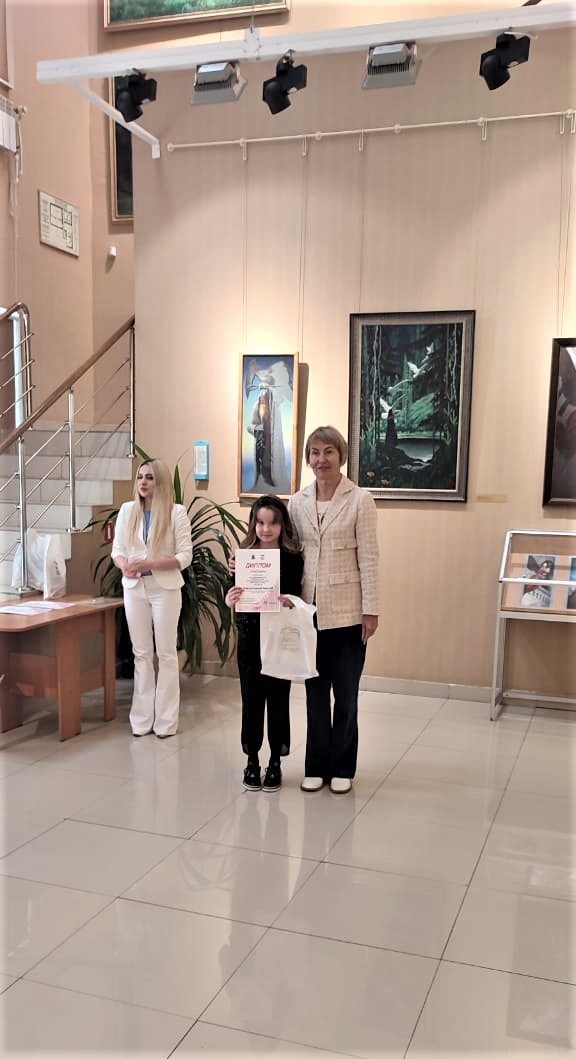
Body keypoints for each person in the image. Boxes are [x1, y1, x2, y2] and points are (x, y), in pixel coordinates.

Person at [289, 426, 379, 794]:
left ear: (341, 456)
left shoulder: (360, 500)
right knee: (314, 695)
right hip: (308, 614)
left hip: (347, 614)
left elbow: (369, 558)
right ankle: (316, 765)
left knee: (346, 695)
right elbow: (288, 553)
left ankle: (342, 767)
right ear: (308, 459)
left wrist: (371, 610)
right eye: (314, 452)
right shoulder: (297, 501)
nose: (321, 459)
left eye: (328, 451)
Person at [226, 495, 303, 792]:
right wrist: (229, 597)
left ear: (282, 525)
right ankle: (252, 760)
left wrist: (288, 601)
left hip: (279, 638)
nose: (266, 529)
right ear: (253, 524)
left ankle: (275, 762)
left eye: (272, 523)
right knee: (251, 700)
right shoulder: (242, 557)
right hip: (249, 638)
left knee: (278, 699)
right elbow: (230, 592)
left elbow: (298, 597)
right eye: (260, 522)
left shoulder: (292, 558)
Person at [111, 458, 192, 737]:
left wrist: (151, 563)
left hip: (165, 588)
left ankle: (166, 721)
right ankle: (141, 719)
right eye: (140, 477)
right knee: (141, 654)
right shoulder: (127, 510)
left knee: (166, 654)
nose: (143, 482)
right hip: (134, 588)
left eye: (149, 477)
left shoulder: (176, 512)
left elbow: (185, 556)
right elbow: (118, 550)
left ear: (161, 482)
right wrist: (124, 565)